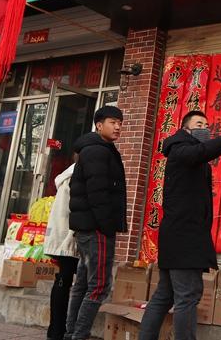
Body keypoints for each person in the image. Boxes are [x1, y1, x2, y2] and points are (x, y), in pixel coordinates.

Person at [139, 110, 221, 340]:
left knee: (165, 296)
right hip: (184, 238)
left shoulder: (191, 156)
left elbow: (201, 153)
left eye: (206, 125)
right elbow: (201, 152)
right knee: (188, 296)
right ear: (185, 129)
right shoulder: (181, 150)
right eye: (199, 124)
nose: (205, 128)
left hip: (180, 236)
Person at [65, 106, 127, 340]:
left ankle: (72, 332)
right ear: (99, 125)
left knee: (83, 284)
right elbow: (97, 193)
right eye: (113, 122)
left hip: (89, 227)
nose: (118, 127)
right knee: (99, 286)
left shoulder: (98, 149)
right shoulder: (97, 151)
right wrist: (107, 225)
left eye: (120, 123)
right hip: (96, 229)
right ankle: (79, 335)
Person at [43, 161, 79, 340]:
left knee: (63, 280)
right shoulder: (76, 176)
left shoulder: (66, 176)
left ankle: (55, 329)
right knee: (65, 281)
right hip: (69, 236)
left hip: (61, 235)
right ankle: (58, 330)